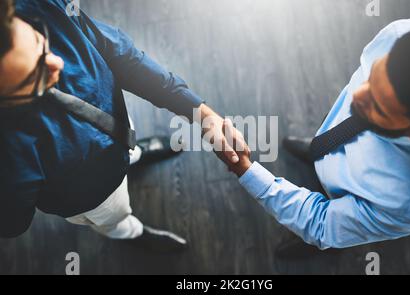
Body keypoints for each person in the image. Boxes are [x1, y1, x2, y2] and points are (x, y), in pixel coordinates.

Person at [0, 0, 248, 253]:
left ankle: (134, 152)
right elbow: (13, 222)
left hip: (117, 123)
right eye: (33, 78)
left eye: (41, 42)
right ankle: (132, 233)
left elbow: (119, 54)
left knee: (129, 145)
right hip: (93, 194)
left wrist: (202, 114)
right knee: (116, 217)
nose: (57, 64)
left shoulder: (34, 5)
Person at [222, 19, 410, 256]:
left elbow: (319, 223)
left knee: (324, 234)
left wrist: (245, 169)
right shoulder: (400, 34)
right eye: (371, 78)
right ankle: (316, 152)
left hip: (337, 209)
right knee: (322, 144)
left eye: (378, 107)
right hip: (332, 137)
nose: (357, 96)